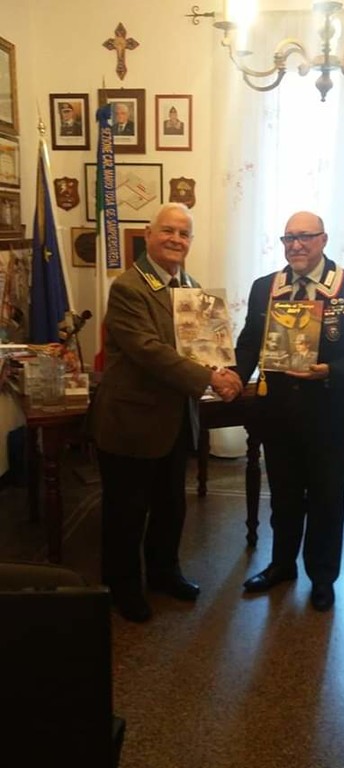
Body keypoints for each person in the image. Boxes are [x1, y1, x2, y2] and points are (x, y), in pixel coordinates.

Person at [89, 203, 243, 622]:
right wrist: (211, 378)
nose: (176, 239)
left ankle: (163, 573)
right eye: (168, 231)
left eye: (184, 233)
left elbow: (204, 347)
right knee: (126, 512)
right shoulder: (128, 288)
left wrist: (223, 368)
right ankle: (122, 588)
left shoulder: (191, 287)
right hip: (132, 422)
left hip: (175, 420)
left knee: (170, 506)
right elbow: (149, 351)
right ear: (148, 234)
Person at [235, 211, 344, 611]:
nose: (296, 245)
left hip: (330, 415)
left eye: (305, 237)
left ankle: (322, 577)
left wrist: (330, 370)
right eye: (289, 238)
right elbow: (249, 344)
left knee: (326, 500)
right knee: (283, 498)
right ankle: (282, 565)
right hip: (277, 414)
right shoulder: (265, 287)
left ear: (323, 239)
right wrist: (232, 376)